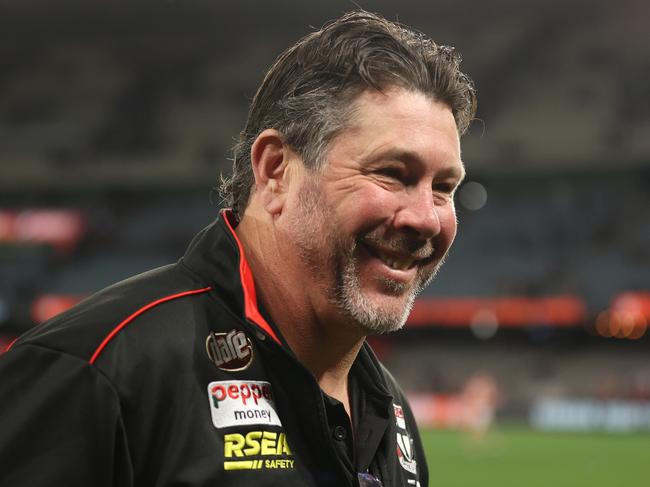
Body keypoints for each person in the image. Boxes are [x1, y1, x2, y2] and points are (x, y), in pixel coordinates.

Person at [0, 10, 476, 487]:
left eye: (444, 187)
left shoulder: (390, 413)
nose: (426, 218)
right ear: (275, 171)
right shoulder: (96, 372)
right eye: (392, 173)